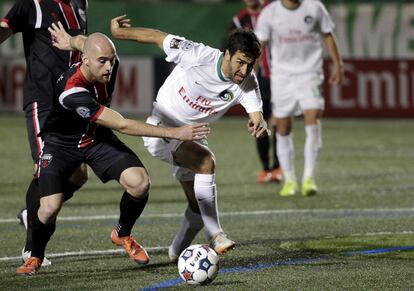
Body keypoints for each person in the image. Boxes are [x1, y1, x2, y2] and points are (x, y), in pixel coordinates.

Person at [16, 27, 210, 276]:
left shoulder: (108, 62)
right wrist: (176, 133)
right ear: (85, 61)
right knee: (49, 208)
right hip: (61, 145)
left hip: (95, 138)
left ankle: (122, 233)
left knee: (139, 183)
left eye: (111, 59)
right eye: (102, 62)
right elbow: (122, 124)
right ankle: (36, 256)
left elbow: (92, 45)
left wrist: (72, 40)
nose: (109, 66)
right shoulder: (71, 91)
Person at [110, 15, 270, 261]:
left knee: (198, 207)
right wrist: (119, 34)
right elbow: (156, 36)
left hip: (193, 136)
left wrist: (259, 124)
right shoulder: (197, 54)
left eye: (250, 64)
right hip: (163, 127)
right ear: (226, 54)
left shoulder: (248, 81)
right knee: (206, 162)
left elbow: (256, 114)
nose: (245, 70)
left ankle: (176, 252)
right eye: (240, 62)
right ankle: (216, 234)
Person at [0, 0, 89, 266]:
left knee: (79, 173)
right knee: (46, 168)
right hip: (44, 101)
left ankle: (31, 213)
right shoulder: (32, 4)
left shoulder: (80, 3)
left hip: (70, 99)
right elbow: (6, 28)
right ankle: (32, 249)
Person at [255, 0, 344, 196]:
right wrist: (250, 77)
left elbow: (327, 35)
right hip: (282, 77)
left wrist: (338, 65)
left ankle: (309, 178)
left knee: (313, 117)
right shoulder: (270, 13)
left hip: (310, 74)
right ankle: (289, 180)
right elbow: (259, 45)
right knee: (283, 126)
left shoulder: (315, 7)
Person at [231, 0, 282, 184]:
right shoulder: (239, 19)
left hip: (280, 74)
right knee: (260, 122)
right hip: (258, 78)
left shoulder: (273, 11)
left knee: (279, 121)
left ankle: (278, 166)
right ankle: (266, 168)